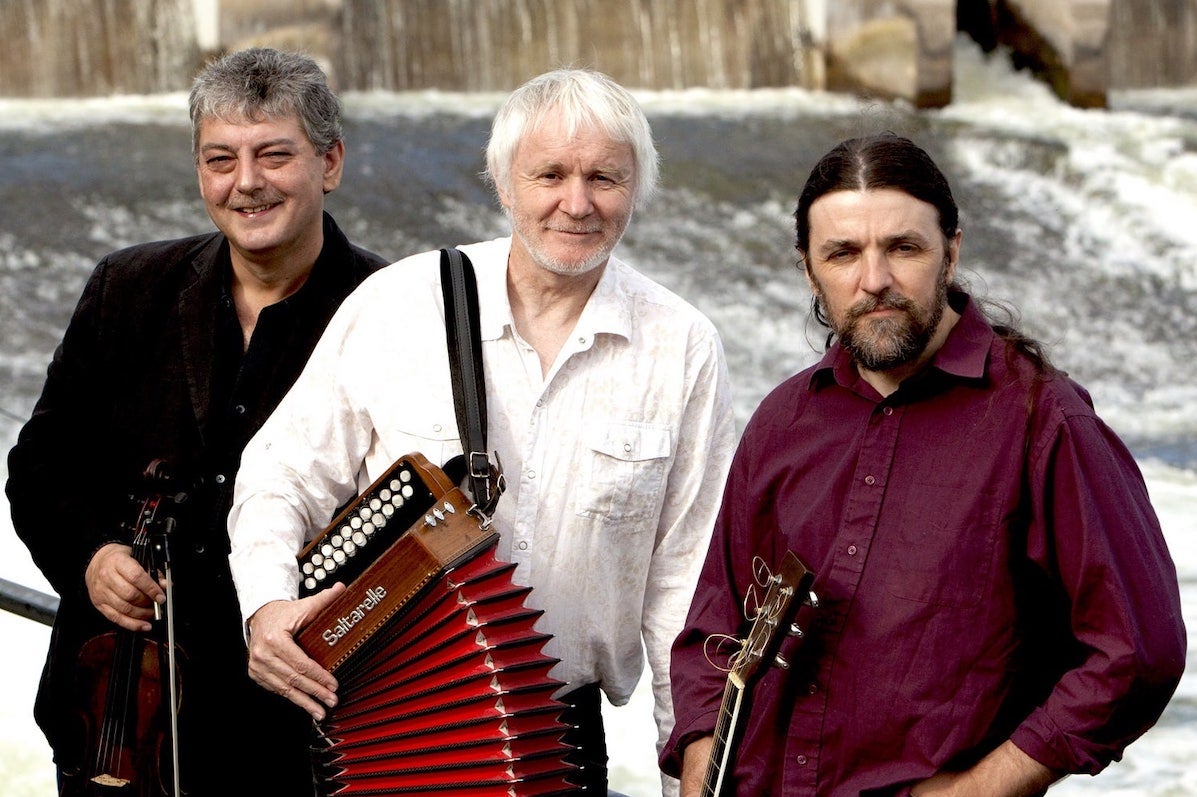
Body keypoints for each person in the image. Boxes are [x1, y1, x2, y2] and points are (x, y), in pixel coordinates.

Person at [226, 67, 736, 795]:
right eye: (549, 174)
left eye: (605, 177)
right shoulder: (398, 303)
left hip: (559, 732)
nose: (576, 202)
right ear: (503, 184)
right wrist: (268, 607)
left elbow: (684, 586)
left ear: (636, 189)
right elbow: (280, 477)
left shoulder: (681, 344)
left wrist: (686, 764)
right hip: (381, 719)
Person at [662, 133, 1187, 796]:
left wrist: (981, 788)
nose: (874, 279)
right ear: (808, 269)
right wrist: (703, 762)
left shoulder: (1042, 418)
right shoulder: (782, 420)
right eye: (843, 253)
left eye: (902, 247)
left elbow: (1136, 650)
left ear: (951, 252)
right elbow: (712, 627)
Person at [6, 48, 387, 796]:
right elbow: (40, 468)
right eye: (221, 159)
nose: (246, 183)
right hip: (121, 719)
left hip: (299, 732)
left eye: (274, 155)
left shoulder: (390, 310)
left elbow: (410, 518)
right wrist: (90, 556)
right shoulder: (127, 288)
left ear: (330, 161)